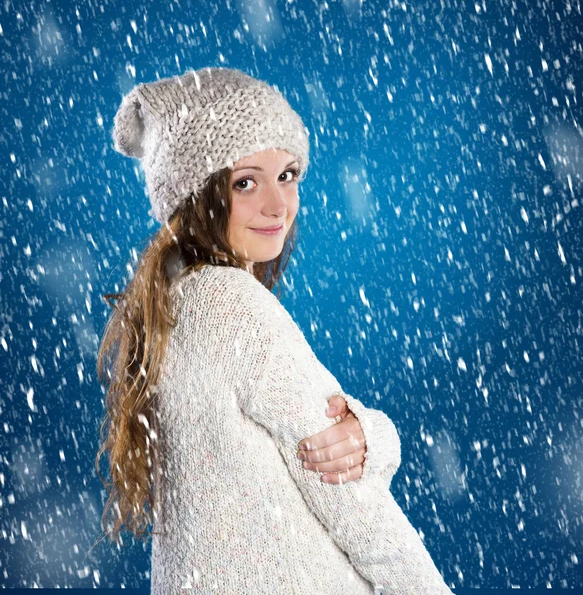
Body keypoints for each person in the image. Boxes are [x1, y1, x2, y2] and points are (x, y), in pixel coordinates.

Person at [95, 67, 453, 594]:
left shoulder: (171, 302)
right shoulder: (232, 305)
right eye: (245, 182)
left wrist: (372, 437)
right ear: (195, 197)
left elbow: (311, 445)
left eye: (287, 175)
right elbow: (350, 498)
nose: (277, 205)